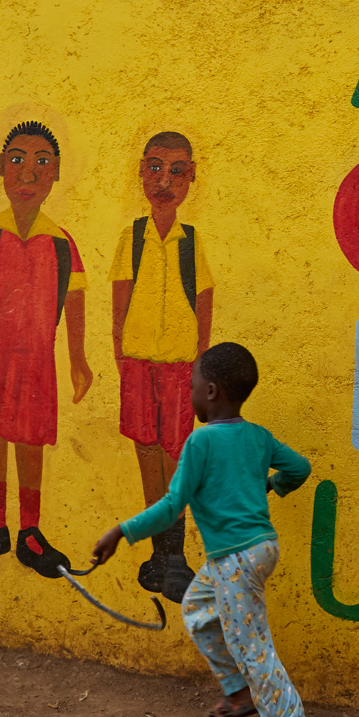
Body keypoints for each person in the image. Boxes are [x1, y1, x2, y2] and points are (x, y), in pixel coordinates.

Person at [91, 342, 321, 717]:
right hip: (251, 551)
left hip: (236, 558)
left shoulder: (201, 442)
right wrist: (270, 487)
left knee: (252, 646)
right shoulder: (257, 437)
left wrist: (123, 531)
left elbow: (172, 505)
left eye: (192, 384)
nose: (190, 390)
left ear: (211, 391)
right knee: (197, 608)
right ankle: (238, 692)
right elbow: (300, 469)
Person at [0, 121, 93, 578]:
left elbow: (74, 300)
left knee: (30, 440)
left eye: (41, 163)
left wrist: (77, 360)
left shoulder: (61, 243)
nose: (28, 174)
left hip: (37, 361)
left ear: (55, 174)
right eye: (17, 161)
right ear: (1, 169)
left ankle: (29, 531)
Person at [110, 132, 214, 602]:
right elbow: (119, 304)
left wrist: (198, 368)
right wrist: (121, 361)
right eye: (154, 167)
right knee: (147, 457)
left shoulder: (191, 243)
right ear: (140, 171)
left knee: (176, 460)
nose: (164, 180)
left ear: (192, 175)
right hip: (137, 365)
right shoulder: (131, 238)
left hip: (179, 369)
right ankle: (159, 555)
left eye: (176, 170)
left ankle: (174, 557)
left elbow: (205, 305)